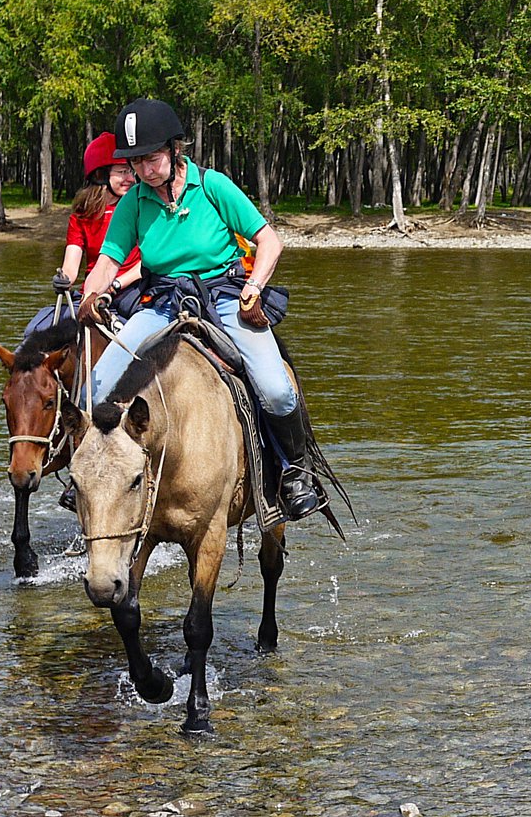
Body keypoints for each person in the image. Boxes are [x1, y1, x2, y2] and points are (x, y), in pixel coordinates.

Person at [78, 98, 323, 521]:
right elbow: (107, 262)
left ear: (175, 150)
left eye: (152, 159)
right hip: (161, 304)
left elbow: (270, 242)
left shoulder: (213, 187)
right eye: (135, 162)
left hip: (225, 297)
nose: (144, 170)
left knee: (277, 389)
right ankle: (106, 479)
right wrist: (90, 294)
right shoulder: (135, 202)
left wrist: (253, 288)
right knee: (95, 388)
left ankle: (293, 473)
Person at [24, 131, 144, 337]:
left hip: (133, 291)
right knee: (35, 330)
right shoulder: (81, 217)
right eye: (123, 172)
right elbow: (71, 266)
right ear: (101, 175)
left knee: (146, 334)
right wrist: (63, 279)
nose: (130, 178)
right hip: (93, 293)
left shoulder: (141, 208)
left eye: (130, 172)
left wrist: (115, 285)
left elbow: (147, 262)